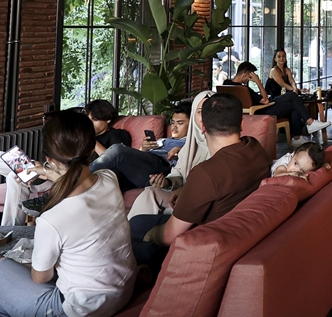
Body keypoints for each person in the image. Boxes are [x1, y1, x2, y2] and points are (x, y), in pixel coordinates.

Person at [0, 111, 135, 317]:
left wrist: (16, 266)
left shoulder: (53, 217)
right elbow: (80, 176)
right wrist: (47, 171)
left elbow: (41, 277)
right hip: (119, 293)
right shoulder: (109, 179)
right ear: (92, 148)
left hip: (75, 310)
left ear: (50, 158)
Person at [129, 92, 271, 271]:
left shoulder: (206, 172)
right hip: (233, 229)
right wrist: (186, 190)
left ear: (202, 126)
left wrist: (151, 235)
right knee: (138, 222)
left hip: (201, 245)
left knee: (134, 236)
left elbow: (169, 236)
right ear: (241, 124)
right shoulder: (254, 147)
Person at [126, 90, 213, 219]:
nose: (205, 117)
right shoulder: (189, 147)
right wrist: (167, 182)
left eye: (211, 111)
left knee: (117, 152)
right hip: (178, 192)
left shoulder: (218, 143)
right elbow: (178, 174)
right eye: (200, 112)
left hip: (198, 199)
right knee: (150, 192)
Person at [89, 101, 190, 193]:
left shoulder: (191, 143)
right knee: (108, 177)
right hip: (143, 169)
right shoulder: (165, 140)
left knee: (117, 150)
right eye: (172, 122)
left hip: (160, 168)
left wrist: (182, 150)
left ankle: (81, 176)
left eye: (180, 123)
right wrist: (144, 149)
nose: (174, 127)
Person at [227, 61, 323, 144]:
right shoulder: (244, 89)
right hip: (260, 111)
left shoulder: (227, 84)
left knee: (294, 104)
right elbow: (265, 100)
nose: (249, 79)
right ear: (245, 73)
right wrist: (258, 82)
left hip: (246, 113)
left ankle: (299, 136)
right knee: (292, 97)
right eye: (249, 76)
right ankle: (306, 126)